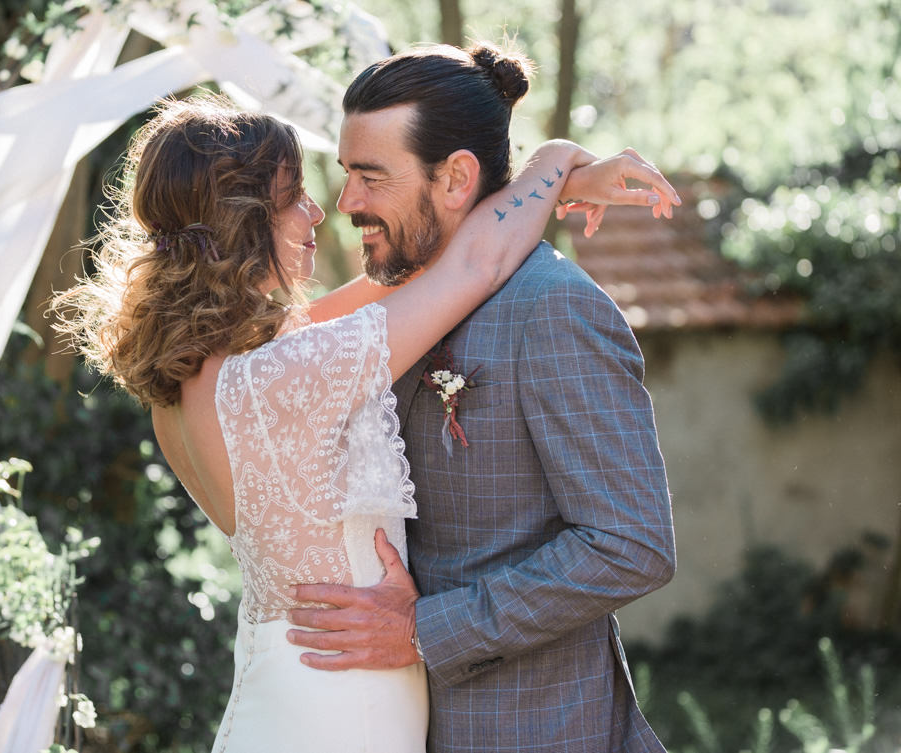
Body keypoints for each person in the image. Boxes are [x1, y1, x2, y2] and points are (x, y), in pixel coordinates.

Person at [53, 84, 676, 751]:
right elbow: (473, 263)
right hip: (343, 702)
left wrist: (551, 180)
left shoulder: (190, 380)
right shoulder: (288, 374)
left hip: (284, 683)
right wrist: (557, 156)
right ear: (242, 222)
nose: (319, 210)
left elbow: (409, 274)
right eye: (293, 197)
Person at [285, 43, 679, 752]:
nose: (347, 204)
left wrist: (423, 629)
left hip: (535, 730)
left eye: (371, 178)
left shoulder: (554, 310)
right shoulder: (396, 302)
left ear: (457, 177)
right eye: (347, 176)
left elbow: (632, 543)